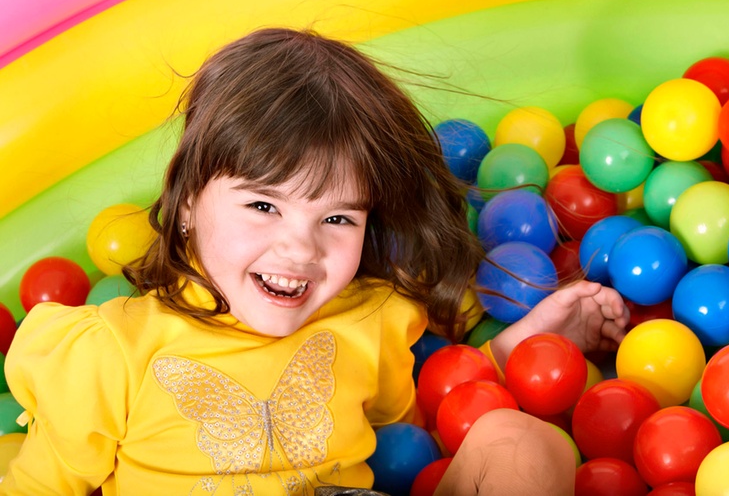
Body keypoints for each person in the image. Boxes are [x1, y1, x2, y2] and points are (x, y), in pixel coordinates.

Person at [0, 28, 628, 495]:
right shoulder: (113, 353)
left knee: (520, 441)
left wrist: (526, 347)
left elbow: (428, 420)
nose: (301, 248)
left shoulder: (371, 318)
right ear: (187, 201)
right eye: (263, 206)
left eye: (336, 219)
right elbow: (37, 485)